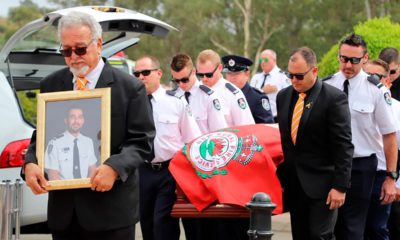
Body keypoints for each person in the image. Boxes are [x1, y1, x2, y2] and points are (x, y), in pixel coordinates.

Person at [22, 11, 155, 240]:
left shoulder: (130, 88)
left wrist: (114, 167)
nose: (73, 57)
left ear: (99, 44)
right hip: (64, 216)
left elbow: (142, 142)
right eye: (66, 50)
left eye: (80, 49)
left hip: (111, 214)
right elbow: (42, 135)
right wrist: (31, 163)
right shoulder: (52, 84)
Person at [324, 33, 398, 240]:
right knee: (326, 227)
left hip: (361, 166)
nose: (348, 65)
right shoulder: (326, 86)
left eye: (355, 60)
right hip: (330, 164)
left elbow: (389, 136)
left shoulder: (376, 90)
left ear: (365, 58)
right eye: (344, 59)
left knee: (352, 228)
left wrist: (391, 177)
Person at [276, 47, 353, 239]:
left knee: (320, 236)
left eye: (299, 76)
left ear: (314, 71)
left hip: (324, 186)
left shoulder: (334, 99)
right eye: (290, 75)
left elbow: (343, 146)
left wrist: (340, 187)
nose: (294, 80)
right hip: (295, 185)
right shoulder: (283, 97)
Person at [135, 55, 201, 240]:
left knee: (163, 223)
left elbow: (192, 139)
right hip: (143, 170)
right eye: (137, 73)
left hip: (169, 171)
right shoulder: (132, 105)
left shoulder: (176, 102)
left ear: (158, 73)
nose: (141, 77)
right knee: (146, 223)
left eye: (146, 72)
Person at [363, 59, 400, 240]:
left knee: (377, 229)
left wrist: (396, 182)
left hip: (382, 177)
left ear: (387, 81)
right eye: (366, 76)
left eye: (375, 77)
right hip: (355, 175)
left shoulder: (397, 108)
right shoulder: (347, 102)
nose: (369, 80)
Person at [170, 53, 227, 133]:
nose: (181, 84)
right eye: (176, 81)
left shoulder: (208, 97)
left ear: (193, 71)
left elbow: (219, 133)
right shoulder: (171, 98)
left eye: (185, 80)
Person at [196, 49, 255, 127]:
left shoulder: (233, 94)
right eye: (200, 75)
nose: (204, 79)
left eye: (209, 75)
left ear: (220, 68)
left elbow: (246, 128)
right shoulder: (193, 92)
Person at [45, 107, 97, 180]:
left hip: (85, 189)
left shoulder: (88, 142)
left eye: (80, 117)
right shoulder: (54, 143)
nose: (76, 121)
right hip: (64, 190)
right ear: (66, 120)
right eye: (72, 117)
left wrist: (86, 189)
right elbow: (53, 174)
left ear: (83, 121)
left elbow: (92, 169)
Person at [221, 54, 274, 123]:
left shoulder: (257, 98)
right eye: (229, 73)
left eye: (237, 73)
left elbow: (267, 126)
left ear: (247, 74)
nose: (232, 77)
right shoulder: (220, 94)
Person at [250, 49, 290, 120]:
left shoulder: (283, 77)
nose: (262, 62)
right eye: (260, 60)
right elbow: (250, 97)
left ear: (274, 60)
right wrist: (262, 91)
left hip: (276, 119)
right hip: (256, 119)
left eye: (265, 60)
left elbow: (289, 99)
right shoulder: (256, 78)